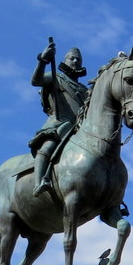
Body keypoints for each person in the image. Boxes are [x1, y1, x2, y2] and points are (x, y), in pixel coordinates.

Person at [29, 37, 89, 197]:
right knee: (48, 147)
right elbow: (36, 81)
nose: (75, 61)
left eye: (78, 60)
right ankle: (39, 182)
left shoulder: (85, 90)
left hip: (80, 130)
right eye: (72, 58)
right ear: (65, 60)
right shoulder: (56, 77)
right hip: (60, 124)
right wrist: (43, 60)